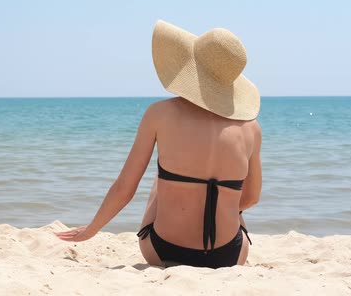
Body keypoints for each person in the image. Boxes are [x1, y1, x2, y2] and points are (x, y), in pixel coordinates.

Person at [55, 20, 262, 268]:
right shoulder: (251, 128)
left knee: (161, 177)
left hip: (163, 250)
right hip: (228, 255)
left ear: (191, 68)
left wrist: (91, 229)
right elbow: (250, 198)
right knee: (226, 197)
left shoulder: (159, 114)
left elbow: (125, 188)